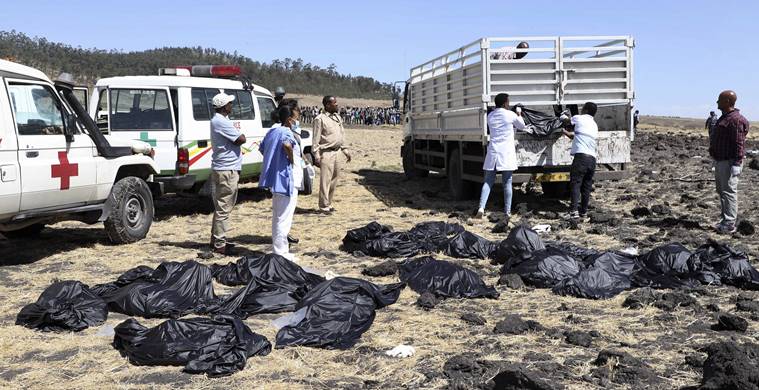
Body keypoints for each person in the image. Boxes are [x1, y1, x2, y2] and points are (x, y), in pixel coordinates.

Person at [259, 105, 302, 261]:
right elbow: (286, 145)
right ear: (289, 120)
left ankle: (279, 249)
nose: (297, 122)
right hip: (286, 179)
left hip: (276, 179)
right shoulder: (285, 132)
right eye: (296, 119)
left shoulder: (272, 132)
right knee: (284, 217)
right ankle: (281, 252)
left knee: (278, 215)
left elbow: (262, 149)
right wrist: (290, 159)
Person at [475, 93, 525, 221]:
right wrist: (519, 113)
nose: (509, 104)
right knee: (507, 183)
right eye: (508, 102)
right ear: (504, 103)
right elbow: (522, 126)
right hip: (506, 153)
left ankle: (481, 208)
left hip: (493, 151)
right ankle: (507, 212)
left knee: (488, 182)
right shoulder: (510, 114)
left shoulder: (490, 115)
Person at [209, 92, 246, 255]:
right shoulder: (221, 122)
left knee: (220, 206)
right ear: (224, 106)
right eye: (230, 103)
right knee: (224, 207)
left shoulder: (219, 121)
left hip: (221, 167)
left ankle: (216, 239)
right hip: (227, 169)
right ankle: (219, 243)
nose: (232, 105)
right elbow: (241, 139)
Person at [709, 90, 750, 234]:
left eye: (719, 100)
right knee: (722, 191)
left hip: (729, 161)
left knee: (729, 192)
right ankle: (725, 219)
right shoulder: (725, 118)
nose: (717, 102)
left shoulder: (735, 120)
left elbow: (739, 143)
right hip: (721, 160)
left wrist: (737, 163)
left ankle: (730, 223)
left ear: (727, 101)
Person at [312, 95, 352, 213]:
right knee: (325, 181)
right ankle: (323, 206)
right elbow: (315, 139)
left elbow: (341, 135)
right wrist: (317, 155)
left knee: (334, 180)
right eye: (334, 103)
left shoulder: (337, 118)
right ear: (327, 105)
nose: (337, 104)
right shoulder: (320, 119)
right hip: (327, 153)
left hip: (338, 152)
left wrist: (345, 150)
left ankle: (329, 203)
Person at [562, 102, 599, 221]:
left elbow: (567, 121)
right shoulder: (594, 125)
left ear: (586, 110)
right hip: (592, 159)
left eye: (583, 108)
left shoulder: (579, 118)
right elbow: (579, 136)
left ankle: (573, 212)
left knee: (575, 184)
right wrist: (566, 133)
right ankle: (583, 212)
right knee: (586, 187)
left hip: (581, 158)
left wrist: (563, 117)